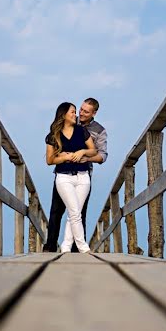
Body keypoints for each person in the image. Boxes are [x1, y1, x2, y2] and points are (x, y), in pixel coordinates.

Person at [43, 98, 108, 252]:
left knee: (79, 212)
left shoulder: (99, 130)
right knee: (56, 210)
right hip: (64, 173)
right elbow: (52, 153)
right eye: (80, 109)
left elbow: (102, 156)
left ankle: (74, 248)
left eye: (86, 111)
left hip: (83, 174)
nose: (81, 113)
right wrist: (65, 156)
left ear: (94, 113)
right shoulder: (70, 121)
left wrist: (85, 156)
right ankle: (51, 245)